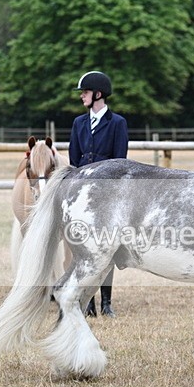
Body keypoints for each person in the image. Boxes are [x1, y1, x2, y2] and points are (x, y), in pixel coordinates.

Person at [69, 70, 129, 317]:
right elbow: (74, 157)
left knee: (107, 245)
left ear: (98, 94)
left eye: (85, 92)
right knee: (83, 246)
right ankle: (88, 302)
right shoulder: (78, 123)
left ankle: (106, 301)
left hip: (107, 192)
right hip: (84, 192)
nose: (82, 96)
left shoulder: (117, 123)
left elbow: (119, 160)